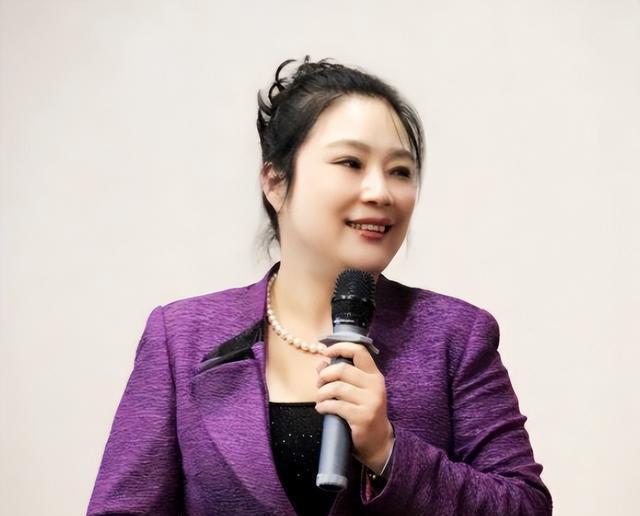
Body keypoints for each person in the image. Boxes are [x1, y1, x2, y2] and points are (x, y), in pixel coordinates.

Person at [87, 56, 552, 515]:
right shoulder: (181, 337)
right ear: (275, 181)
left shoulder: (456, 335)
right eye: (351, 162)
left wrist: (388, 450)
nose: (380, 192)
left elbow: (525, 506)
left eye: (400, 171)